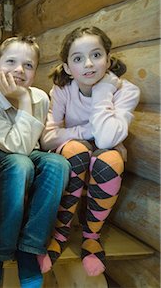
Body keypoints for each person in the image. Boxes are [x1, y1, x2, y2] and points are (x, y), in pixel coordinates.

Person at [0, 36, 70, 288]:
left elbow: (34, 145)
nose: (19, 70)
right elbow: (18, 149)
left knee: (58, 165)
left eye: (28, 65)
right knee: (19, 164)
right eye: (11, 61)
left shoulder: (41, 98)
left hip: (24, 159)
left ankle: (29, 249)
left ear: (35, 72)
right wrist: (23, 100)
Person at [37, 26, 140, 277]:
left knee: (110, 160)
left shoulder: (126, 91)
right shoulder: (62, 90)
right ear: (67, 67)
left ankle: (91, 237)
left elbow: (105, 139)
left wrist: (103, 90)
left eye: (96, 55)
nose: (88, 64)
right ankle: (60, 234)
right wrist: (86, 131)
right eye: (78, 58)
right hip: (74, 153)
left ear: (108, 58)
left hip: (105, 154)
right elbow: (48, 138)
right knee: (75, 150)